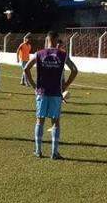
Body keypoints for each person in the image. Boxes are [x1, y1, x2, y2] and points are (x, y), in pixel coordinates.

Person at [24, 31, 78, 160]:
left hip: (42, 92)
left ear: (47, 39)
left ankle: (38, 151)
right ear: (56, 39)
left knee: (40, 120)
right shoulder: (63, 55)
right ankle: (54, 152)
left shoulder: (39, 53)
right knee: (55, 122)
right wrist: (66, 85)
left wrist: (33, 85)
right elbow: (74, 70)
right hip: (55, 93)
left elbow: (26, 68)